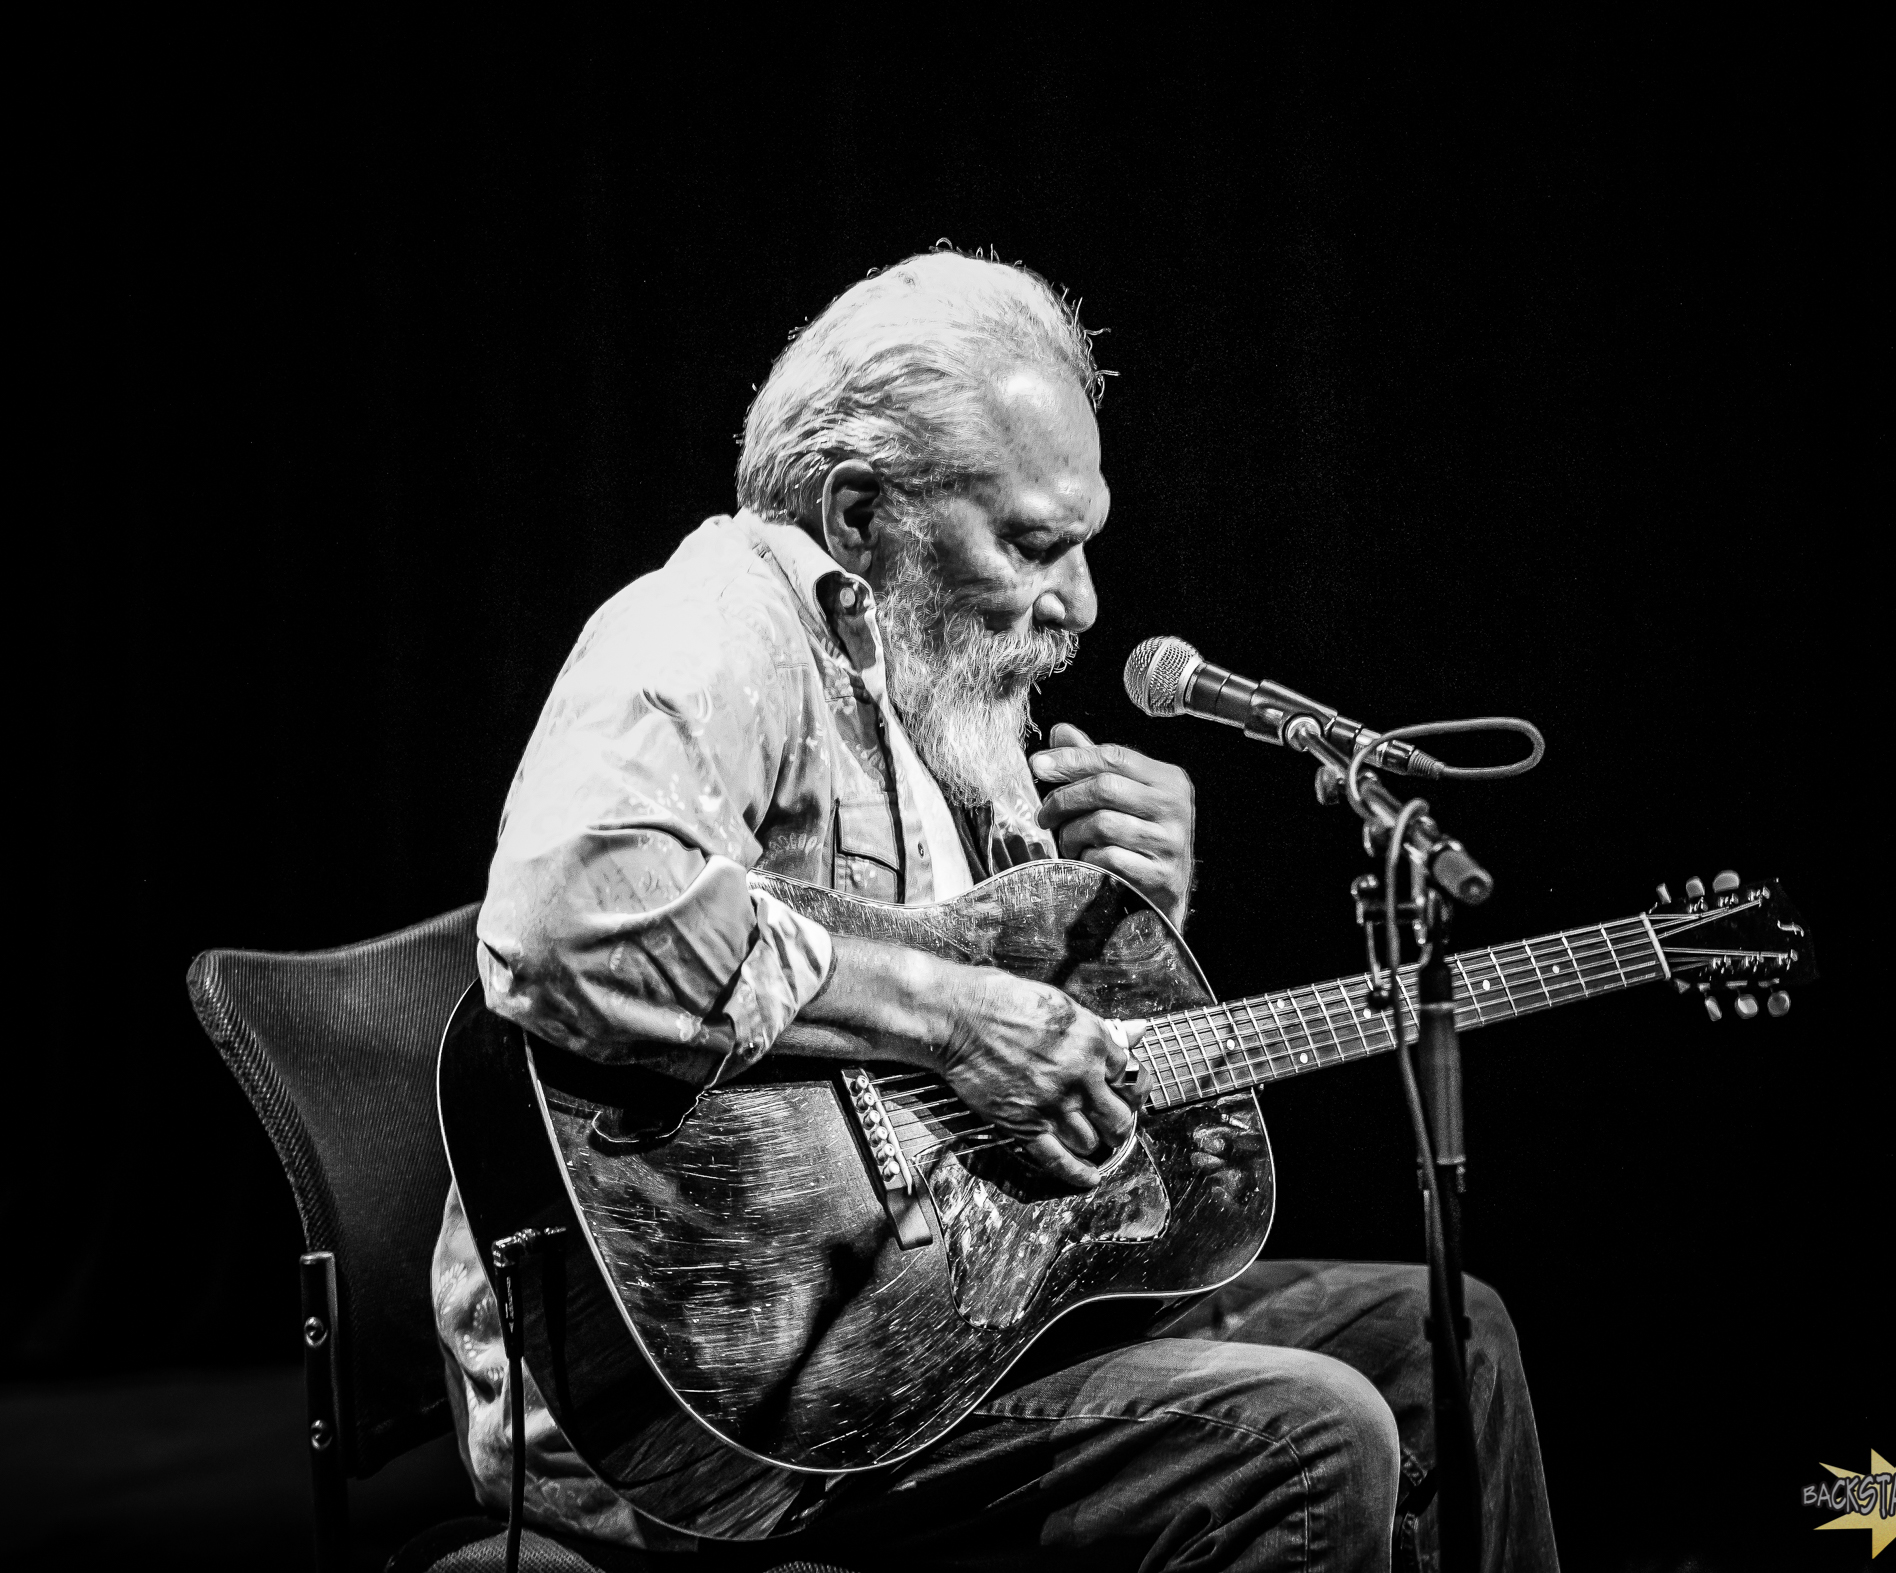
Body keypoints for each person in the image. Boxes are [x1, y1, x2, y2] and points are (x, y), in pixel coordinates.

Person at [432, 249, 1559, 1572]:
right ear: (858, 513)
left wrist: (1133, 927)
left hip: (926, 1342)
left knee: (1453, 1337)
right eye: (1033, 544)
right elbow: (568, 906)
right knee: (1312, 1437)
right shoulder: (711, 627)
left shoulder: (937, 698)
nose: (1079, 603)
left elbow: (992, 1086)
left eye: (1085, 542)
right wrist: (955, 1017)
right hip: (717, 1417)